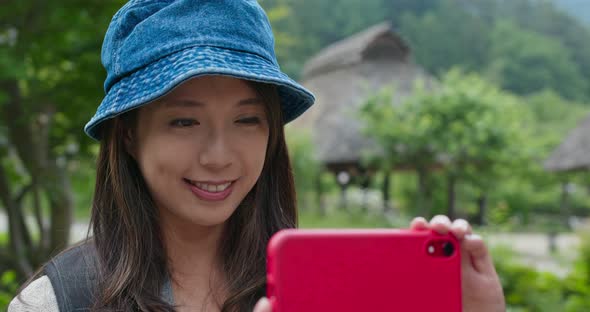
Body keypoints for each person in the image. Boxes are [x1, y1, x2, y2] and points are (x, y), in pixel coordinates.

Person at [9, 1, 506, 311]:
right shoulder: (58, 301)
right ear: (129, 136)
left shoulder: (331, 291)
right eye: (184, 121)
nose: (220, 156)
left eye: (248, 120)